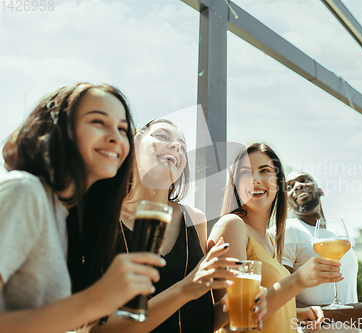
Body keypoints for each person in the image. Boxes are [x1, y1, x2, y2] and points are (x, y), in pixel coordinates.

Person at [0, 83, 164, 333]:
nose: (115, 137)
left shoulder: (66, 217)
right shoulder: (25, 191)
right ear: (58, 129)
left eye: (122, 129)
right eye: (98, 121)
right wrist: (97, 299)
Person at [91, 119, 267, 333]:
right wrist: (186, 288)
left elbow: (202, 316)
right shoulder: (102, 221)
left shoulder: (195, 219)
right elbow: (95, 330)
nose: (176, 146)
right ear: (135, 145)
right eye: (163, 137)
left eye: (182, 147)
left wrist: (239, 305)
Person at [209, 143, 343, 333]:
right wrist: (298, 280)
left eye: (264, 171)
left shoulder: (271, 240)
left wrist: (295, 312)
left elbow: (264, 307)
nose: (255, 179)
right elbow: (233, 322)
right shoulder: (232, 225)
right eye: (245, 173)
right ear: (235, 185)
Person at [279, 171, 362, 333]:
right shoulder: (288, 230)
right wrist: (348, 314)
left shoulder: (339, 238)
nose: (298, 186)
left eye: (304, 180)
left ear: (320, 190)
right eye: (289, 187)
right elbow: (281, 301)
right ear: (287, 203)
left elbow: (348, 297)